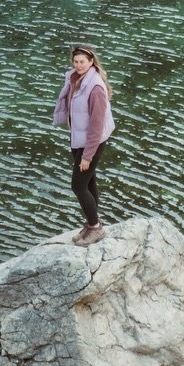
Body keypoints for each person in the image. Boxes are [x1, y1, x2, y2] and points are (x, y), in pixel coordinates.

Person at [53, 44, 115, 243]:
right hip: (78, 138)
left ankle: (96, 227)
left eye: (82, 62)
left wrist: (87, 156)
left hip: (92, 142)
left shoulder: (95, 87)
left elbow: (96, 126)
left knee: (78, 186)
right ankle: (91, 222)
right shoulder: (75, 78)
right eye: (75, 61)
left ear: (91, 62)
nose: (78, 65)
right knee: (89, 182)